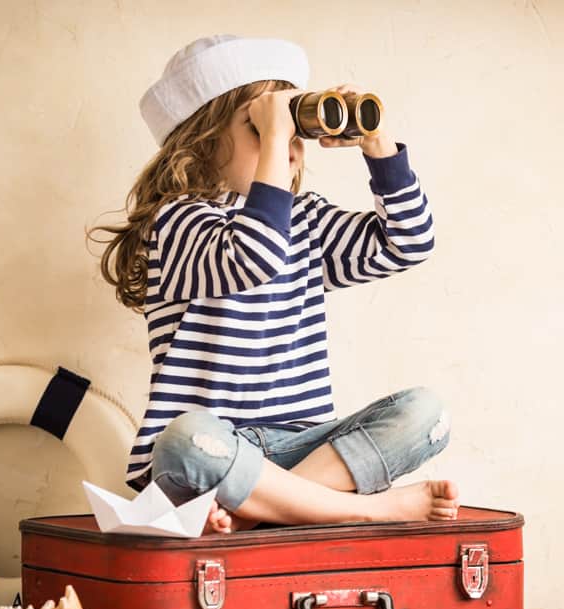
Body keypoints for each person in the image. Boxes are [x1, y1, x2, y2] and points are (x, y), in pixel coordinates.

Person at [89, 34, 459, 535]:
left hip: (298, 448)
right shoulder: (178, 222)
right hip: (214, 451)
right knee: (183, 438)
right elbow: (254, 257)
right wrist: (277, 141)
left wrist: (377, 143)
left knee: (424, 413)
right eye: (262, 130)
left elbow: (408, 243)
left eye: (294, 132)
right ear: (201, 141)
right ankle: (362, 511)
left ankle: (252, 516)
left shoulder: (303, 220)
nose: (289, 147)